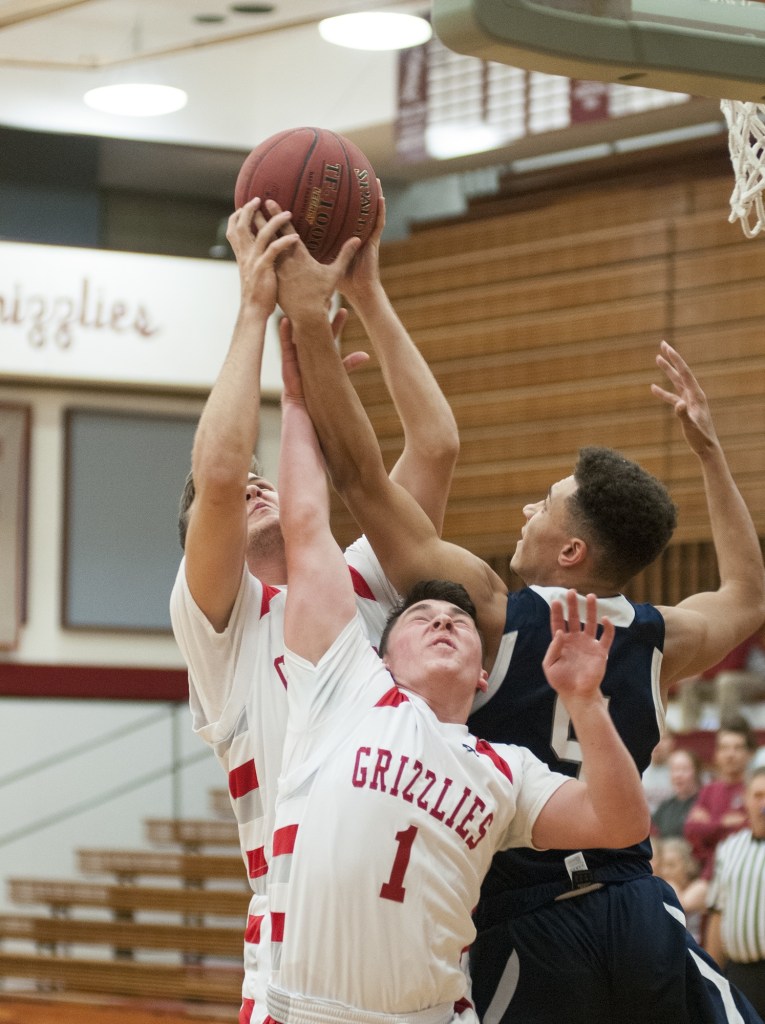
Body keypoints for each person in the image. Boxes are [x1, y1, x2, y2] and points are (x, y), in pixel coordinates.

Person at [267, 204, 765, 1024]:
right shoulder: (653, 641)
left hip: (530, 927)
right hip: (635, 905)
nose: (529, 509)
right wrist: (709, 451)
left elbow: (361, 479)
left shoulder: (492, 612)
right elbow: (747, 595)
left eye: (546, 504)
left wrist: (329, 324)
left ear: (570, 552)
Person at [266, 325, 650, 1024]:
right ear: (381, 655)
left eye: (459, 621)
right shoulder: (344, 691)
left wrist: (588, 704)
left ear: (483, 676)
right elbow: (305, 524)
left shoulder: (505, 771)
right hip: (307, 1011)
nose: (443, 619)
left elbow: (619, 824)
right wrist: (297, 403)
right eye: (420, 618)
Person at [169, 192, 461, 1024]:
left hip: (419, 930)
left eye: (273, 473)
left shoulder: (362, 581)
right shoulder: (222, 623)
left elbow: (434, 446)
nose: (253, 482)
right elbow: (219, 478)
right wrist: (255, 312)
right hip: (297, 936)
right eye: (227, 498)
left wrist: (368, 297)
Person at [706, 766, 765, 1017]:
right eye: (758, 795)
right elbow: (717, 914)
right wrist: (710, 978)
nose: (764, 803)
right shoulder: (730, 847)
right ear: (746, 800)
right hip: (740, 974)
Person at [684, 715, 758, 880]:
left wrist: (709, 824)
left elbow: (751, 831)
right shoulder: (709, 789)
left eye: (737, 748)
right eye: (724, 748)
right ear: (716, 754)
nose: (730, 754)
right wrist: (722, 823)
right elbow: (691, 829)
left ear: (750, 753)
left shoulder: (756, 790)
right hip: (705, 870)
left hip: (742, 871)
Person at [678, 630, 765, 731]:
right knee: (690, 685)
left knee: (726, 680)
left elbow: (734, 664)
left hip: (758, 680)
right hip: (725, 680)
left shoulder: (744, 630)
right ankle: (689, 732)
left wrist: (701, 674)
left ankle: (728, 730)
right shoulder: (715, 636)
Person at [652, 836, 707, 944]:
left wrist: (669, 884)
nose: (665, 871)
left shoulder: (700, 885)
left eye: (671, 865)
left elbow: (681, 905)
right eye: (662, 866)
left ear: (688, 865)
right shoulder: (665, 887)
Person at [652, 747, 704, 839]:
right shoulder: (666, 805)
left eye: (684, 769)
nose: (678, 775)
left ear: (697, 772)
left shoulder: (704, 803)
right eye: (674, 770)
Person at [643, 730, 677, 814]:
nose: (657, 743)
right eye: (652, 738)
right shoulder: (636, 769)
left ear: (672, 743)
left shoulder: (683, 772)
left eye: (663, 738)